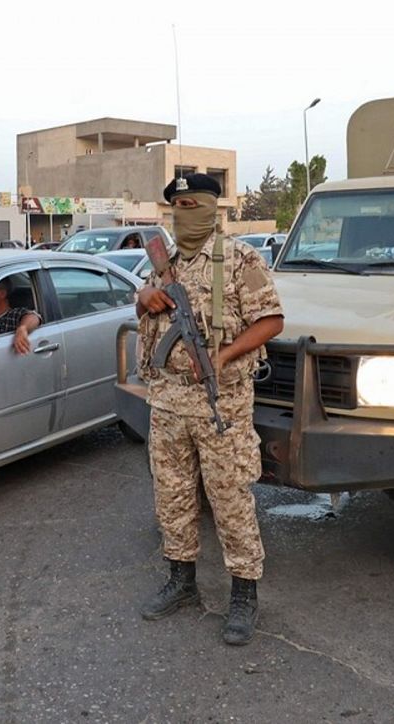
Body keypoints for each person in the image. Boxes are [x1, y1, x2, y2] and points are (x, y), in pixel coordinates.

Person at [134, 174, 285, 646]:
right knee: (173, 496)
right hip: (167, 402)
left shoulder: (240, 260)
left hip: (222, 405)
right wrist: (144, 297)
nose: (182, 213)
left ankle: (244, 593)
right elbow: (142, 302)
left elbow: (272, 320)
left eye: (190, 204)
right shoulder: (165, 264)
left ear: (210, 207)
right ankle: (181, 579)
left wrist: (221, 356)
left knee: (230, 499)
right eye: (175, 206)